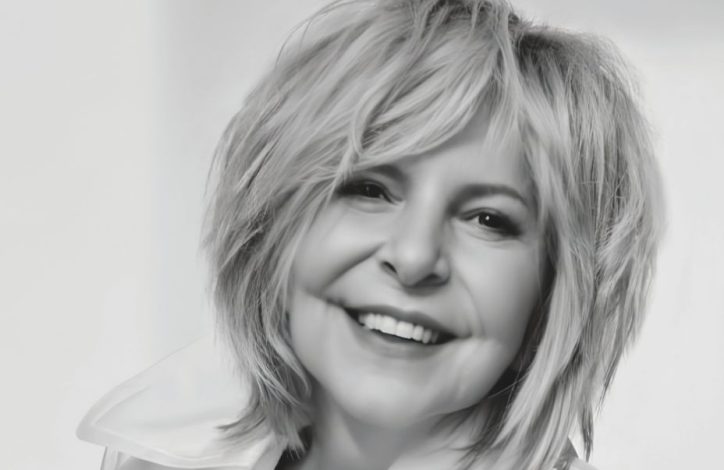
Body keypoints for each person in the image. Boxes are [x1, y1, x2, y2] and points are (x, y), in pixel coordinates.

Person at [78, 1, 664, 469]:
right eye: (370, 189)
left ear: (555, 290)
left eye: (488, 219)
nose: (413, 257)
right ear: (276, 222)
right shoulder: (150, 454)